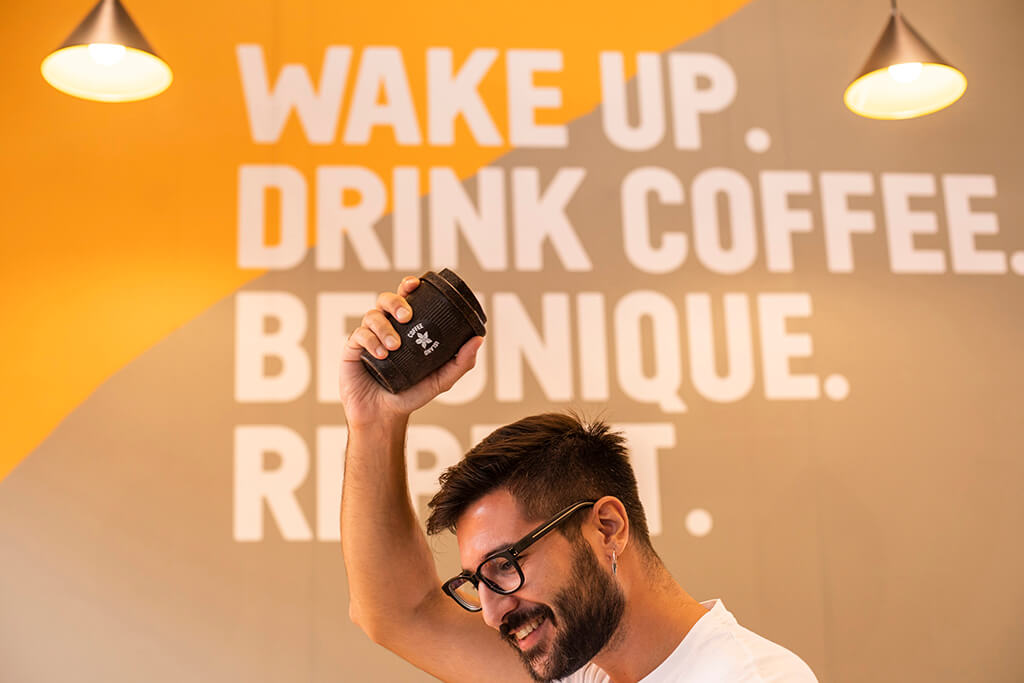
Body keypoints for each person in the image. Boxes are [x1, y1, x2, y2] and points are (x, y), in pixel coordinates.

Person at [340, 276, 819, 683]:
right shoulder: (581, 666)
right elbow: (399, 614)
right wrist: (374, 423)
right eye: (477, 582)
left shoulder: (746, 676)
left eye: (506, 565)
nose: (491, 614)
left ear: (607, 527)